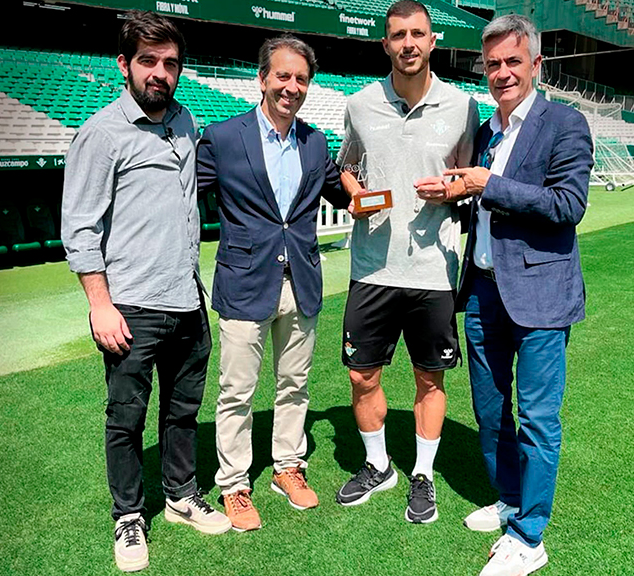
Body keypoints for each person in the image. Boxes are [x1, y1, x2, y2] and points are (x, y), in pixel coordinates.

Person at [61, 10, 230, 573]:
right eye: (148, 61)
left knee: (183, 412)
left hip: (187, 300)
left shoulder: (184, 121)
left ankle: (181, 496)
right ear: (124, 65)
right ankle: (129, 515)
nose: (160, 72)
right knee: (125, 419)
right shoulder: (101, 133)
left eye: (170, 63)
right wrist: (99, 305)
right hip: (130, 307)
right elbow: (80, 228)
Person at [429, 14, 593, 576]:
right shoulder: (486, 133)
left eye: (513, 62)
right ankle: (510, 499)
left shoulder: (564, 123)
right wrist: (454, 193)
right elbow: (482, 209)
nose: (502, 73)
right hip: (482, 292)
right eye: (493, 63)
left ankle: (529, 536)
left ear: (536, 65)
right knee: (491, 409)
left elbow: (568, 205)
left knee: (538, 418)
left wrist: (487, 184)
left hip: (542, 295)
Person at [334, 0, 481, 525]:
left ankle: (422, 473)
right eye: (398, 35)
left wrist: (452, 190)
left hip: (433, 271)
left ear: (433, 40)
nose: (408, 44)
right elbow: (347, 166)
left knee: (430, 379)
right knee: (361, 376)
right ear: (386, 44)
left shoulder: (462, 106)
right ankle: (379, 465)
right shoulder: (360, 104)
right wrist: (355, 193)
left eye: (417, 34)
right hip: (372, 268)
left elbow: (470, 178)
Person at [196, 34, 349, 532]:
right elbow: (181, 194)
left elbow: (342, 190)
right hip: (244, 282)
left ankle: (287, 466)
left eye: (301, 79)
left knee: (295, 384)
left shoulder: (315, 141)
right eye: (283, 76)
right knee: (237, 391)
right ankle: (234, 484)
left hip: (300, 281)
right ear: (262, 79)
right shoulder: (222, 137)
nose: (292, 87)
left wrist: (372, 185)